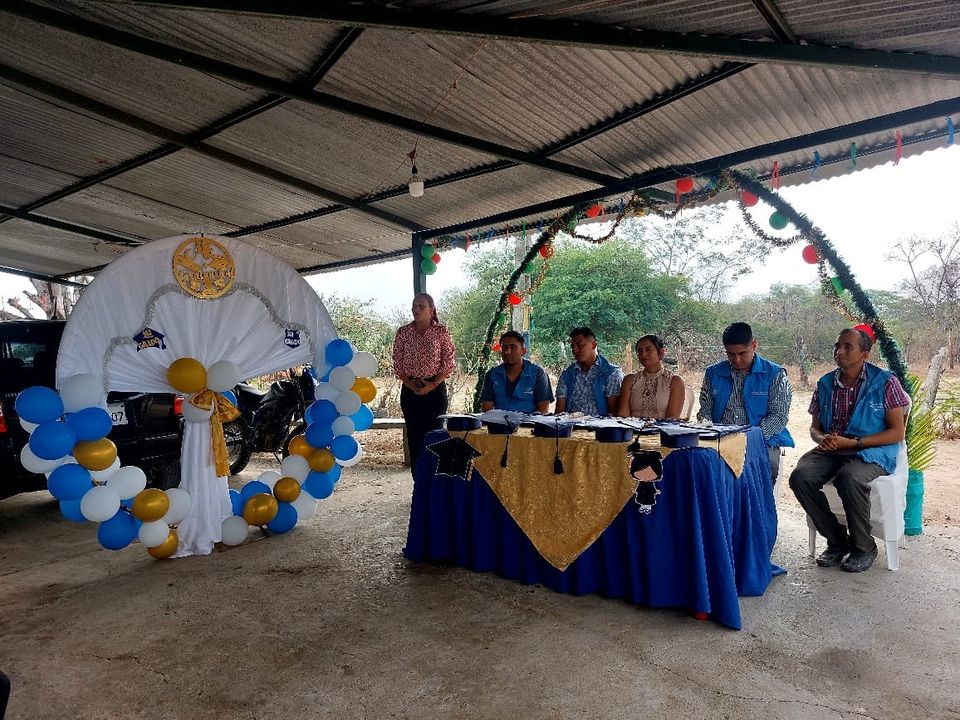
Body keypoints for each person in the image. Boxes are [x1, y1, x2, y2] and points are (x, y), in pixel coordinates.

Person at [789, 328, 909, 573]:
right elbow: (815, 428)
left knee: (850, 477)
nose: (839, 351)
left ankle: (864, 548)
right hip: (833, 448)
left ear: (864, 354)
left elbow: (897, 433)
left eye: (847, 347)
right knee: (800, 477)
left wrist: (853, 443)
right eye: (837, 346)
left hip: (872, 449)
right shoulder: (825, 383)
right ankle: (837, 541)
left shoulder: (885, 382)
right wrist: (823, 439)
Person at [697, 322, 793, 483]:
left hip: (761, 440)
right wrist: (710, 432)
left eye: (742, 353)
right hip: (720, 439)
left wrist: (750, 438)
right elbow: (705, 411)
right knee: (697, 463)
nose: (737, 359)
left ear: (754, 345)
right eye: (730, 354)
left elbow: (779, 416)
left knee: (766, 465)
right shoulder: (713, 373)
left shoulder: (775, 374)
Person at [392, 293, 455, 472]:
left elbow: (448, 362)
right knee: (414, 438)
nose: (416, 310)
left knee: (434, 437)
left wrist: (432, 384)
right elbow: (397, 362)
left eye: (421, 306)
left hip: (435, 390)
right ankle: (418, 482)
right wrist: (410, 384)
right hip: (410, 391)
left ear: (431, 309)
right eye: (414, 306)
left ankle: (434, 482)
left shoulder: (441, 332)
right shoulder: (403, 332)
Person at [554, 327, 624, 415]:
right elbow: (559, 413)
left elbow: (615, 414)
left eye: (579, 345)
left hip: (601, 423)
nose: (575, 350)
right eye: (572, 347)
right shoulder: (567, 375)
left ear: (593, 345)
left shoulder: (611, 373)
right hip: (570, 423)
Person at [479, 331, 554, 413]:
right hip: (499, 420)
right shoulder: (492, 374)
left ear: (523, 351)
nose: (507, 351)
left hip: (530, 420)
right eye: (504, 347)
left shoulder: (538, 374)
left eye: (513, 347)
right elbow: (487, 409)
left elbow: (543, 410)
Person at [616, 334, 686, 419]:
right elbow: (623, 416)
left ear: (661, 353)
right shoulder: (630, 380)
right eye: (640, 351)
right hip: (633, 427)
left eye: (648, 350)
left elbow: (672, 418)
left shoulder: (674, 381)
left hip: (663, 427)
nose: (643, 354)